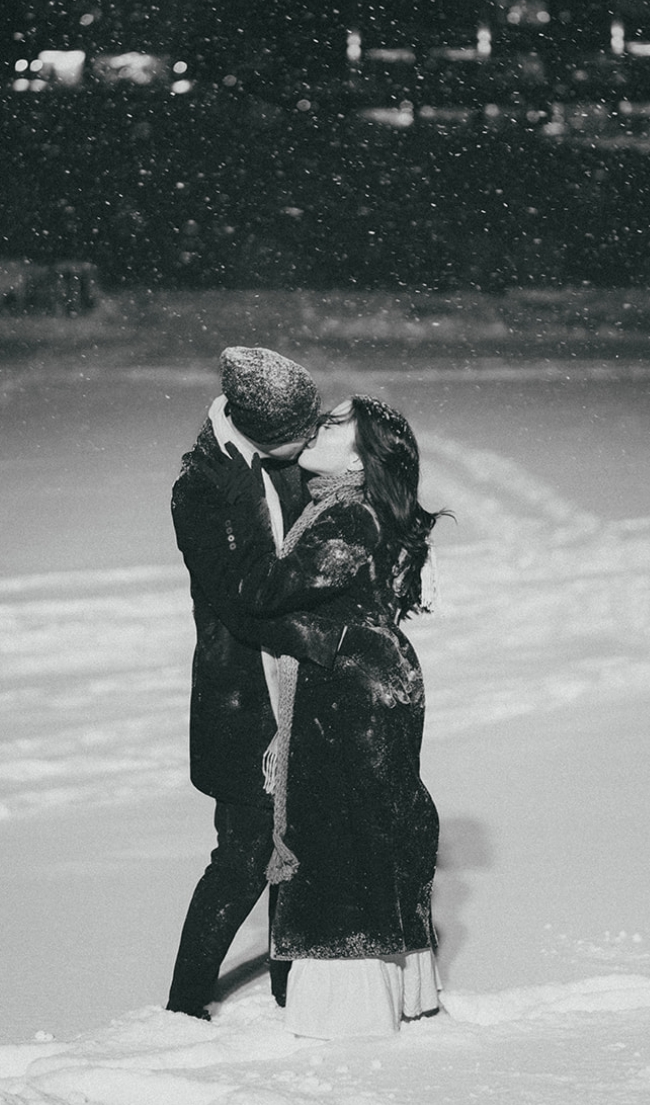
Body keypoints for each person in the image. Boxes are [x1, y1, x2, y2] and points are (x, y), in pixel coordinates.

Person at [218, 394, 445, 1038]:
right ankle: (400, 987)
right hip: (370, 684)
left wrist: (229, 572)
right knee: (374, 830)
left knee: (339, 840)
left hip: (353, 694)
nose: (322, 424)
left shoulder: (346, 516)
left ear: (362, 452)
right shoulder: (338, 506)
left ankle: (349, 1015)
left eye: (339, 421)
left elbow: (264, 592)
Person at [166, 346, 350, 1021]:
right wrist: (326, 628)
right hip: (244, 697)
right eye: (301, 428)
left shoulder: (290, 464)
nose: (313, 437)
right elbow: (242, 599)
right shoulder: (205, 490)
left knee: (299, 846)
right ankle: (183, 1008)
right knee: (244, 855)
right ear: (257, 424)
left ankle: (287, 989)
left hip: (305, 689)